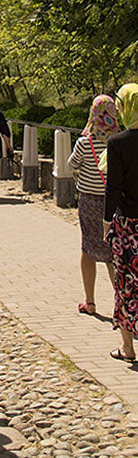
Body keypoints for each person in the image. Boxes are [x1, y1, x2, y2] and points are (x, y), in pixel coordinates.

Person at [68, 95, 119, 315]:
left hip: (89, 200)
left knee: (88, 248)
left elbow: (72, 164)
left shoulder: (85, 142)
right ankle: (123, 304)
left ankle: (90, 302)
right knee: (113, 253)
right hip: (114, 202)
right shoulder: (119, 140)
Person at [104, 84, 138, 362]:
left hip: (128, 225)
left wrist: (106, 222)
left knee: (126, 282)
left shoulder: (117, 143)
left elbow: (112, 188)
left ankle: (128, 348)